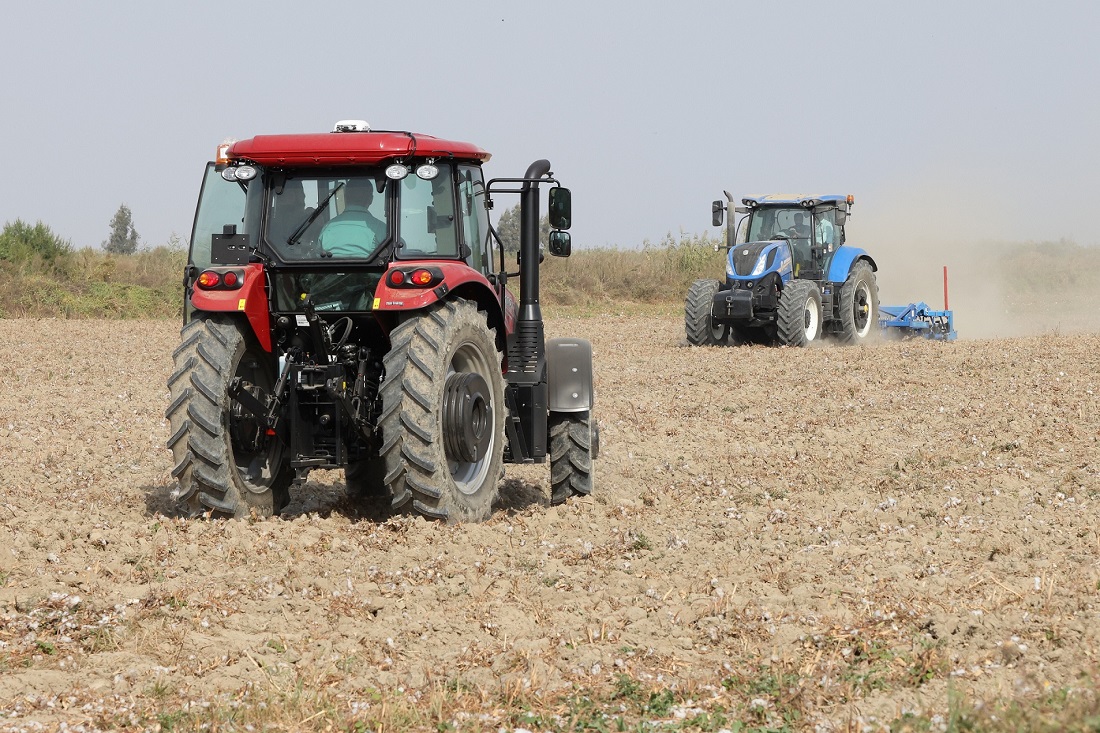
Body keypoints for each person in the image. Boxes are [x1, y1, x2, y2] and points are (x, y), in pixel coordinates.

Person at [318, 178, 387, 257]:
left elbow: (318, 255)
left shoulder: (327, 227)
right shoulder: (381, 229)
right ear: (370, 199)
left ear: (345, 197)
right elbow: (397, 250)